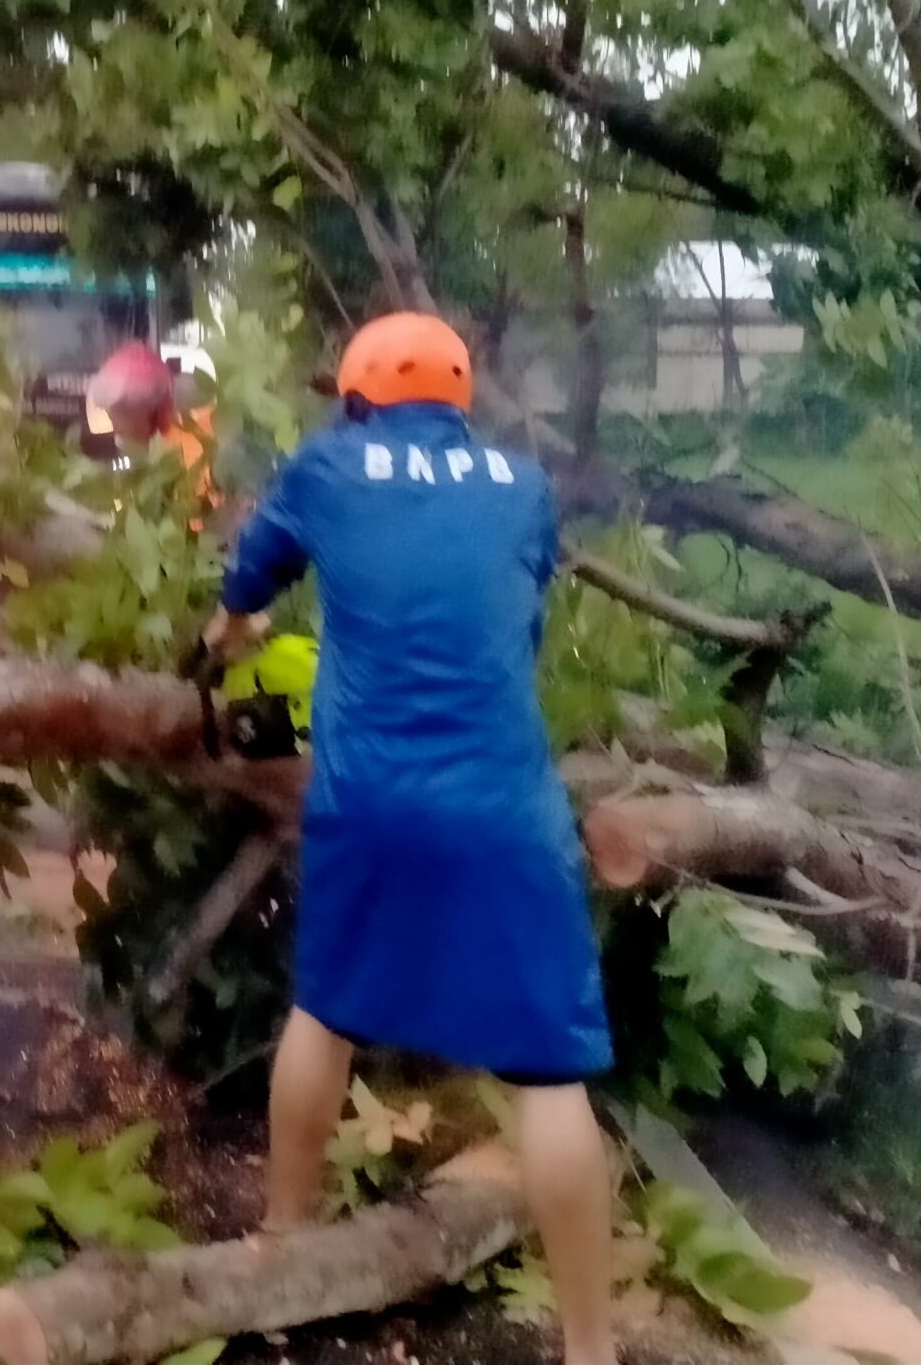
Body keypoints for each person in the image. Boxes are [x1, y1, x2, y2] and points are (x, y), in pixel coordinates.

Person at [201, 311, 619, 1365]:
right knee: (546, 1074)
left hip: (369, 799)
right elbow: (511, 621)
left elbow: (241, 595)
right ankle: (589, 1349)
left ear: (355, 396)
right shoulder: (520, 486)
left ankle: (281, 1242)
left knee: (323, 1009)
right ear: (458, 401)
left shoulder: (324, 467)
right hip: (503, 807)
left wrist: (206, 650)